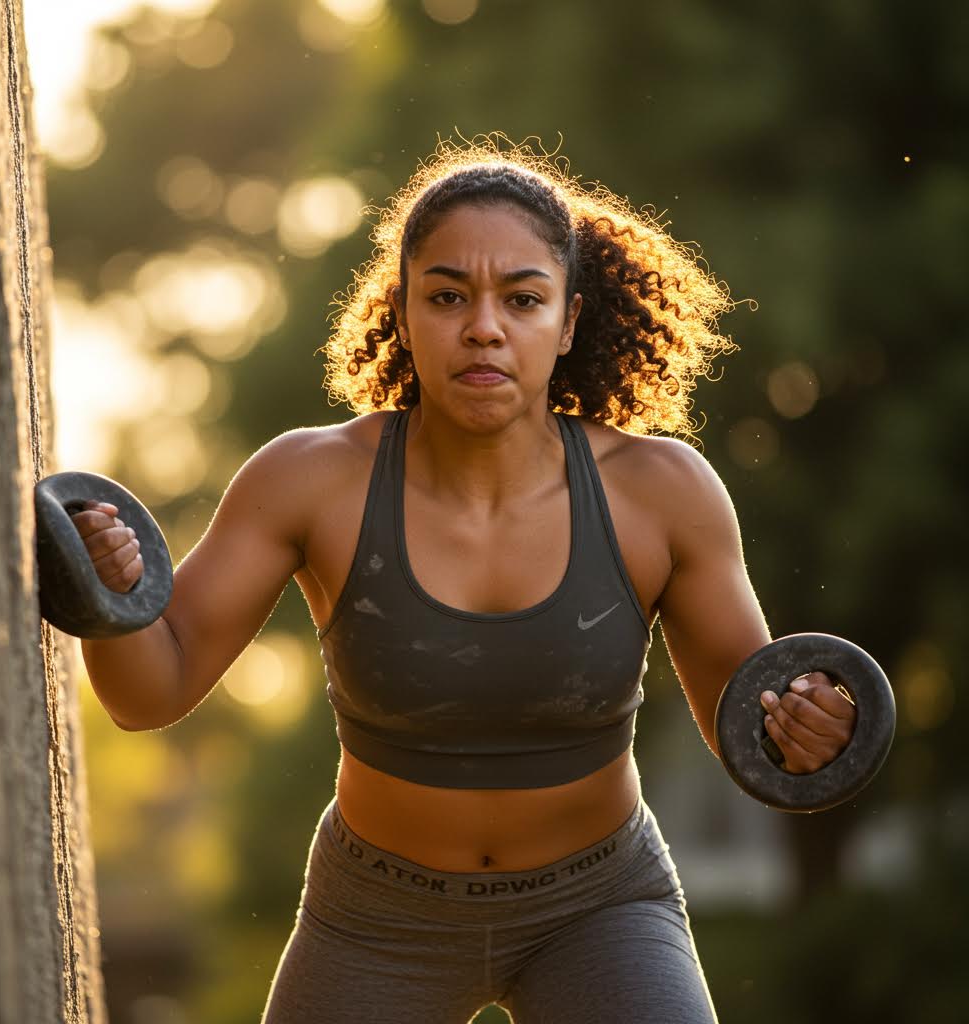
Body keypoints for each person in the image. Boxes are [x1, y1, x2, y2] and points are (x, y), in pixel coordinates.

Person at [78, 138, 856, 1023]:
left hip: (600, 906)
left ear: (566, 323)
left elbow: (752, 727)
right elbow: (152, 691)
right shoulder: (309, 480)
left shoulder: (663, 492)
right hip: (375, 918)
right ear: (403, 313)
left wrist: (809, 723)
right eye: (447, 296)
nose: (483, 325)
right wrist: (112, 593)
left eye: (522, 299)